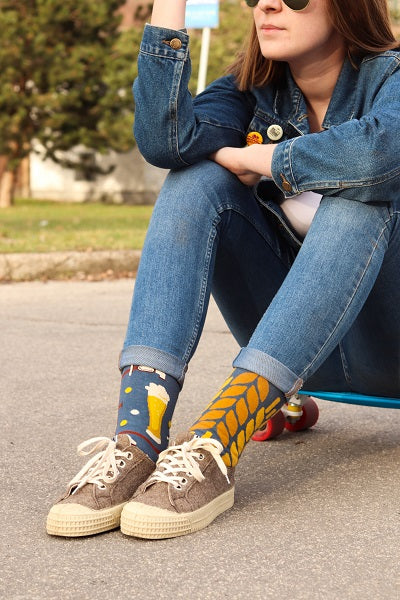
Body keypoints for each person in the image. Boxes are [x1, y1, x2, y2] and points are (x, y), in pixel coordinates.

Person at [47, 0, 400, 539]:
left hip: (389, 348)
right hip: (300, 362)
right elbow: (168, 142)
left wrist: (259, 160)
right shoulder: (250, 89)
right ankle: (136, 439)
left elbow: (378, 154)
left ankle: (217, 439)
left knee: (361, 194)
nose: (268, 4)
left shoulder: (391, 76)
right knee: (194, 179)